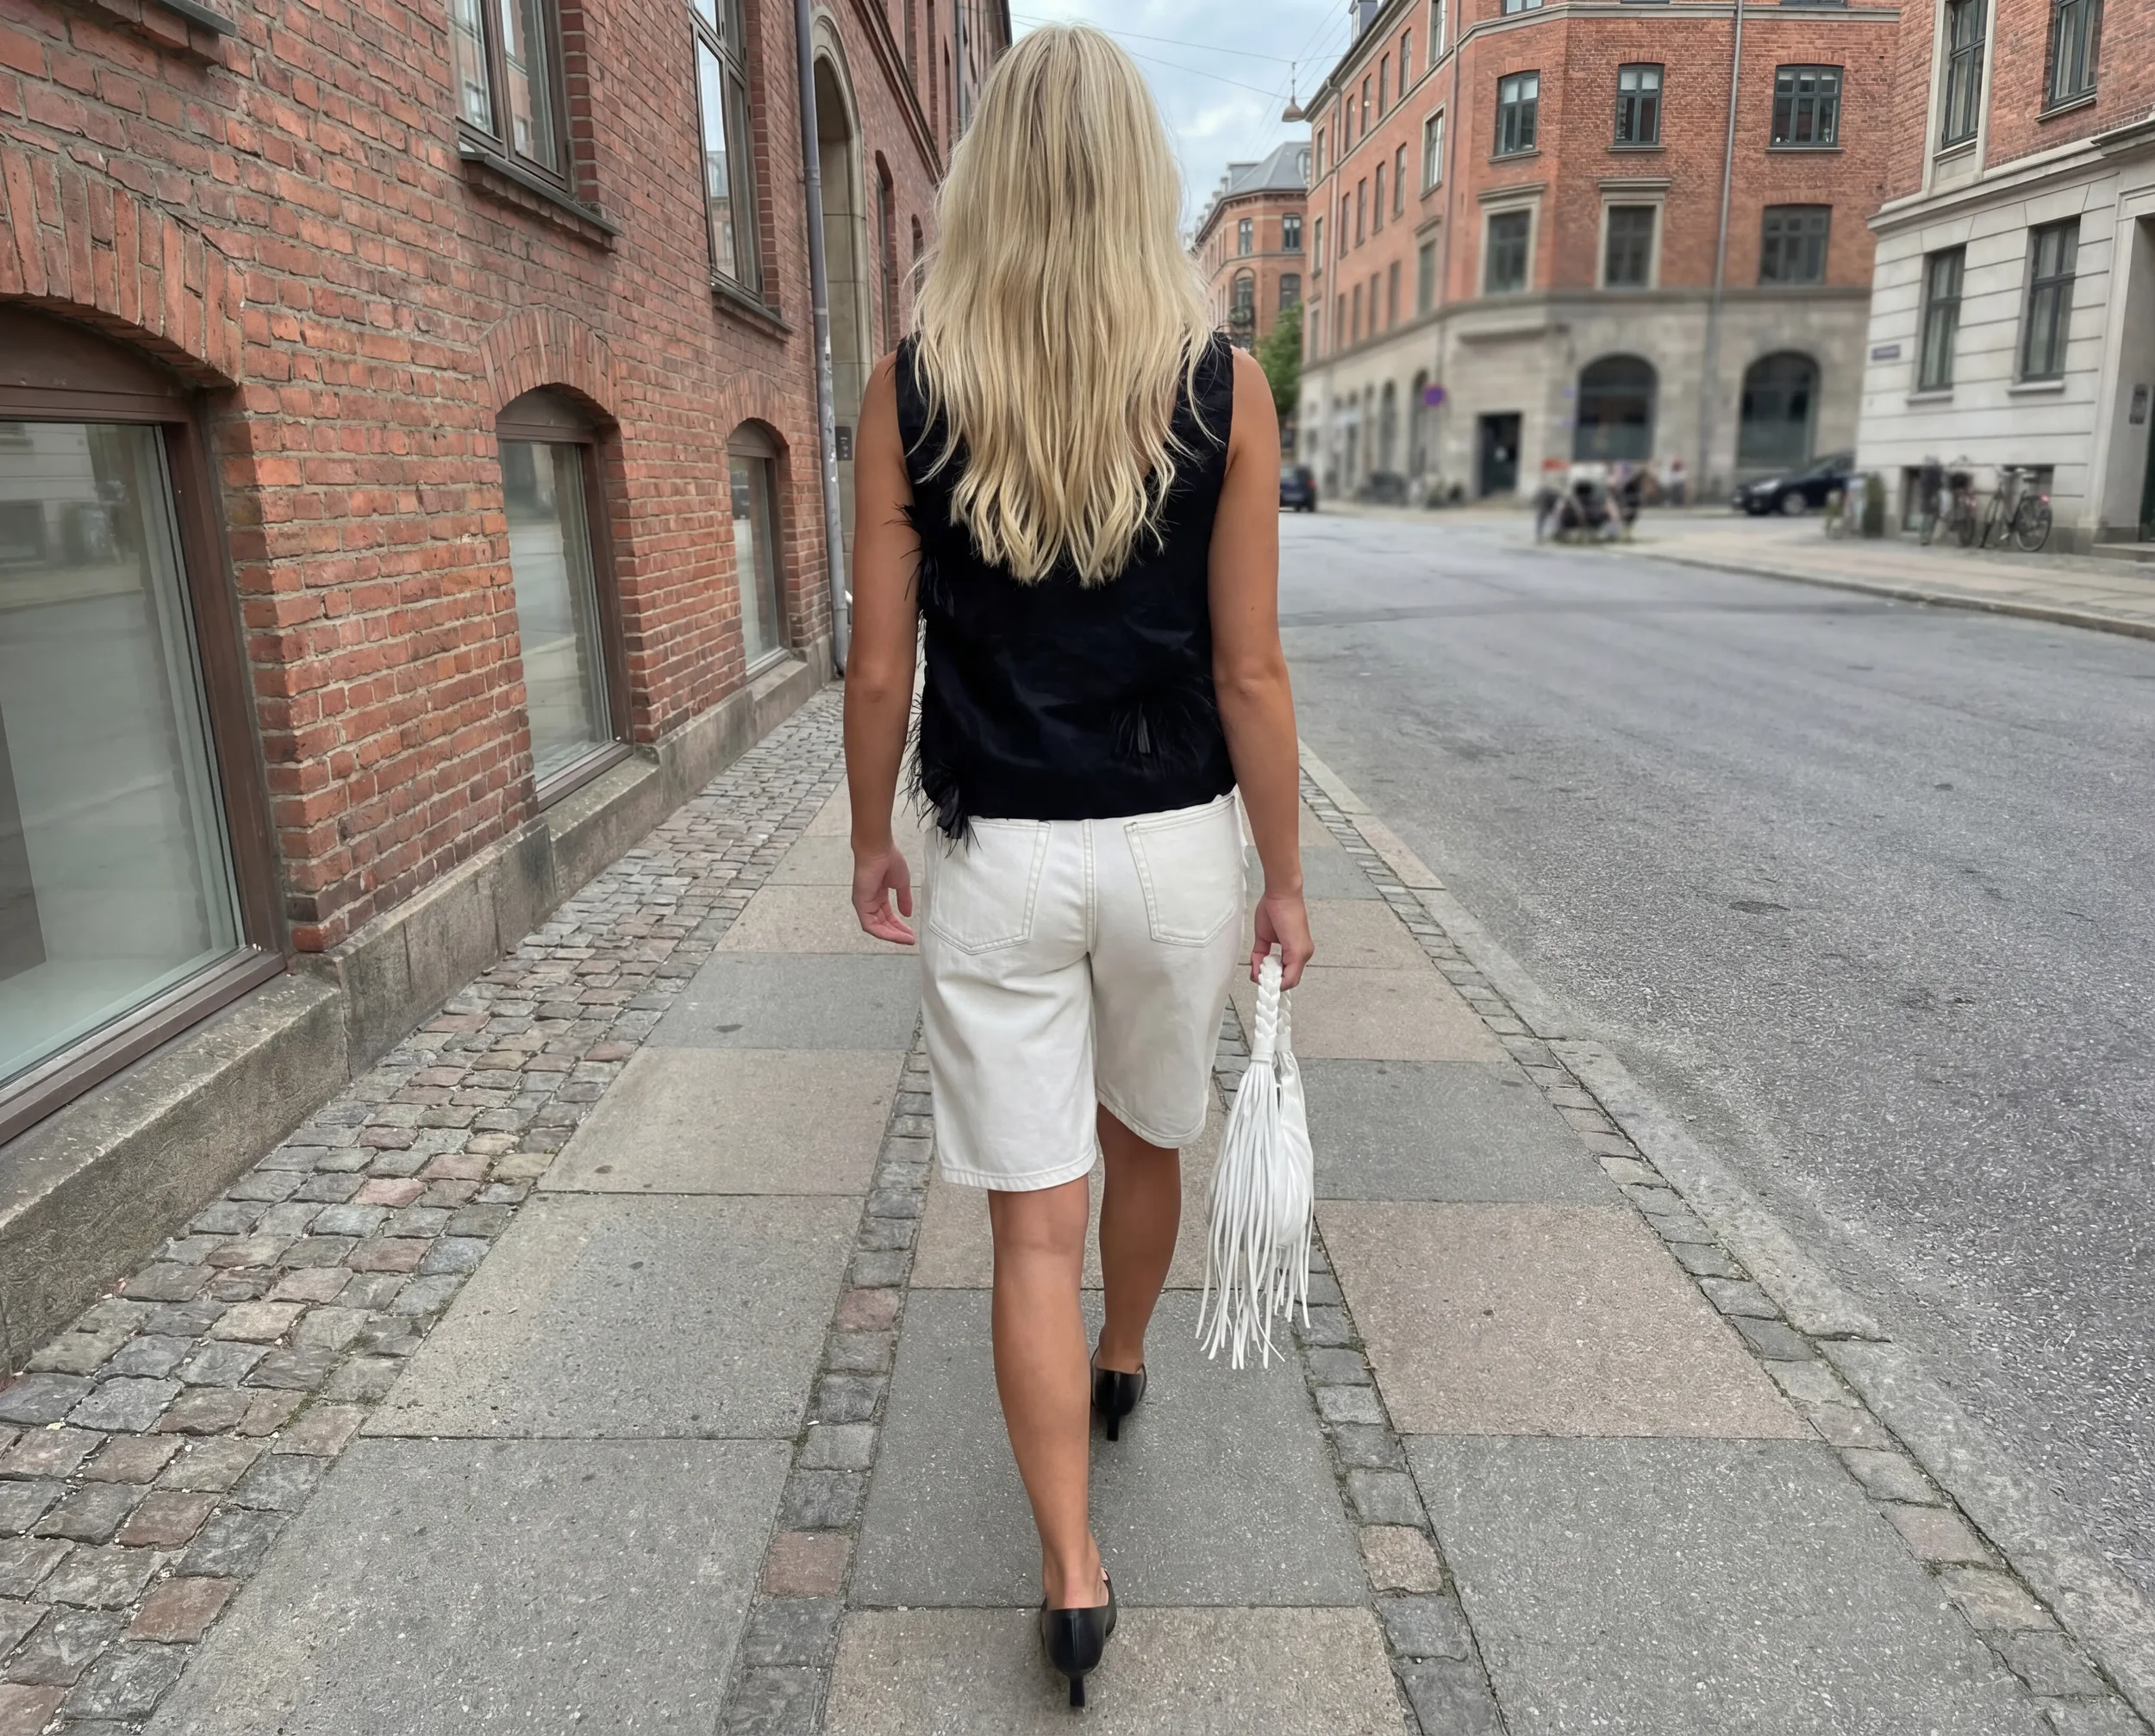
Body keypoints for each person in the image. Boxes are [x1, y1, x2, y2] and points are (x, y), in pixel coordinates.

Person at [840, 24, 1314, 1708]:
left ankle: (1069, 1572)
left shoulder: (909, 390)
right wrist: (1283, 875)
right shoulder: (1223, 388)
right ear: (1137, 180)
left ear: (984, 183)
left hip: (994, 854)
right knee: (1146, 1135)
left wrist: (866, 834)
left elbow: (877, 667)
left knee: (1027, 1220)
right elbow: (1250, 668)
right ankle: (1123, 1354)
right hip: (1175, 844)